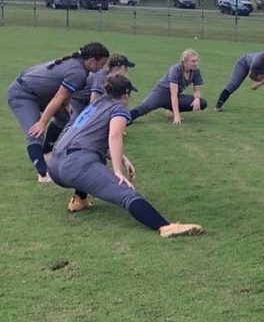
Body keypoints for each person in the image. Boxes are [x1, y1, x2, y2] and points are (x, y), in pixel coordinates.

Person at [48, 74, 204, 238]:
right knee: (126, 193)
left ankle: (79, 200)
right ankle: (165, 227)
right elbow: (115, 135)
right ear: (126, 94)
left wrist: (122, 158)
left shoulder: (96, 104)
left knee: (98, 158)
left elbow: (90, 140)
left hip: (55, 165)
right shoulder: (119, 108)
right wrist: (117, 171)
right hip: (75, 166)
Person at [7, 42, 110, 182]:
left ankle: (46, 153)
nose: (102, 67)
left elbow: (67, 90)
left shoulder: (79, 65)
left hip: (39, 93)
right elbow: (58, 97)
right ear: (92, 61)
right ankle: (43, 174)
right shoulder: (78, 71)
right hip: (23, 95)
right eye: (102, 64)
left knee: (64, 116)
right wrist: (42, 122)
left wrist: (66, 105)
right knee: (35, 132)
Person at [129, 49, 207, 124]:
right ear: (184, 62)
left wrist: (197, 98)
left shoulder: (196, 71)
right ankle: (124, 118)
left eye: (196, 61)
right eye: (193, 61)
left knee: (202, 103)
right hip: (160, 94)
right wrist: (177, 116)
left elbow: (197, 90)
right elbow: (173, 94)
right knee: (144, 108)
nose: (196, 63)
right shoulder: (175, 69)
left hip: (172, 97)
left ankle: (170, 109)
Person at [69, 54, 136, 124]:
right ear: (116, 68)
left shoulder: (113, 80)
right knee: (75, 124)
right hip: (77, 103)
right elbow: (94, 101)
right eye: (125, 68)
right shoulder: (101, 77)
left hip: (85, 103)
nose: (126, 71)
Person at [215, 43, 264, 112]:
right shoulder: (258, 59)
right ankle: (218, 105)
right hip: (243, 64)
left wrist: (259, 83)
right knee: (234, 84)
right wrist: (259, 81)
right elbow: (251, 75)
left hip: (260, 70)